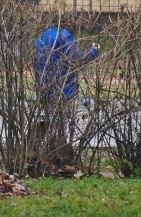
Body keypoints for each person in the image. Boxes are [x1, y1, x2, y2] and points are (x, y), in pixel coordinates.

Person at [33, 26, 99, 162]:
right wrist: (93, 51)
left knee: (51, 121)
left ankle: (48, 155)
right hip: (63, 89)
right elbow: (77, 61)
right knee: (60, 125)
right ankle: (56, 157)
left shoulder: (41, 38)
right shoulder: (64, 36)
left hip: (44, 88)